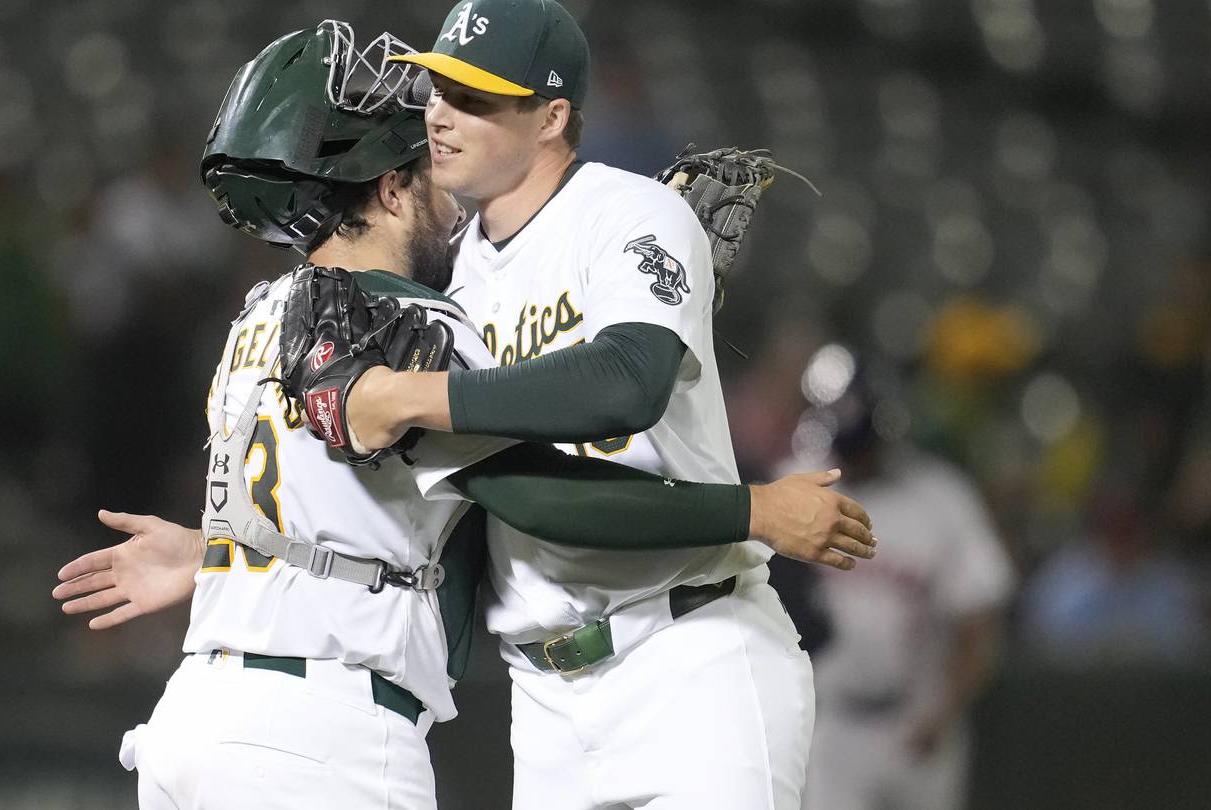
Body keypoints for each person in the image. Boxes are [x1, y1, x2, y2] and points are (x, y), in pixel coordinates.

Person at [52, 21, 874, 810]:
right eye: (422, 167)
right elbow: (536, 498)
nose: (443, 169)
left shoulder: (263, 313)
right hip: (322, 733)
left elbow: (347, 515)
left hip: (199, 714)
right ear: (385, 186)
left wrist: (216, 554)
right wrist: (757, 508)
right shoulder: (411, 323)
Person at [306, 1, 857, 806]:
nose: (441, 117)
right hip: (544, 696)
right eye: (437, 91)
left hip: (691, 650)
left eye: (475, 99)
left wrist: (418, 395)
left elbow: (626, 383)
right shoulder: (443, 276)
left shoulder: (632, 214)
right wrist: (224, 554)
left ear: (552, 116)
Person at [788, 348, 1015, 810]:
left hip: (919, 720)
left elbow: (979, 622)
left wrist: (945, 710)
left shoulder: (942, 498)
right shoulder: (795, 488)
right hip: (831, 724)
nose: (855, 456)